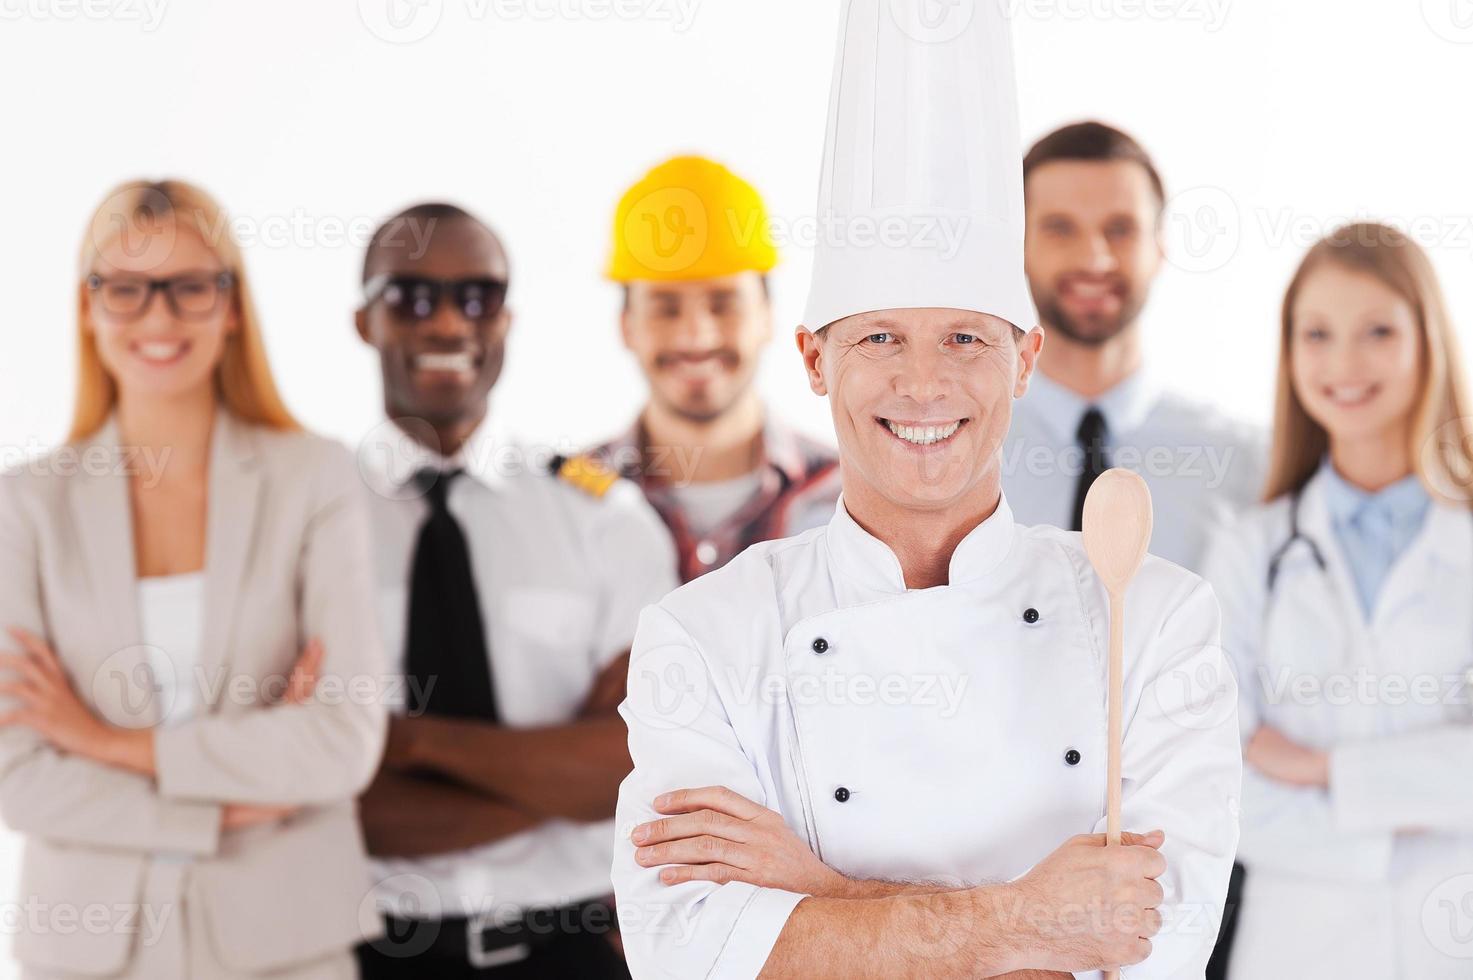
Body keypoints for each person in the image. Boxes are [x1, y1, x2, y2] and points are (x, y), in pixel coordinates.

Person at [610, 3, 1241, 978]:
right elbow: (686, 954)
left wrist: (814, 893)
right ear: (815, 359)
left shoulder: (1157, 619)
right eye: (878, 337)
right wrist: (1034, 917)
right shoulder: (703, 635)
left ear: (1024, 358)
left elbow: (1148, 955)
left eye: (964, 337)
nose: (923, 384)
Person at [0, 180, 386, 979]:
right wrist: (223, 810)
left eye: (189, 288)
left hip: (289, 943)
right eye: (127, 289)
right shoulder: (25, 506)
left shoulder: (314, 478)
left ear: (233, 305)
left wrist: (105, 742)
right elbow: (16, 773)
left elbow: (342, 743)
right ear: (87, 307)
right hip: (84, 951)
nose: (159, 319)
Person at [351, 203, 678, 978]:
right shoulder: (305, 523)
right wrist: (558, 783)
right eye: (411, 297)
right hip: (366, 955)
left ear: (507, 319)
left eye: (477, 297)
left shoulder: (601, 518)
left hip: (569, 954)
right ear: (364, 321)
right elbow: (328, 804)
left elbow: (634, 766)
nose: (445, 324)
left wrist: (404, 741)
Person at [1201, 223, 1473, 979]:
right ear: (1288, 354)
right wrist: (1396, 831)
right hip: (1295, 947)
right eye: (1315, 333)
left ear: (1429, 340)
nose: (1342, 363)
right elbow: (1218, 779)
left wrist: (1320, 769)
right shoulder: (1249, 549)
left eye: (1376, 331)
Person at [1004, 120, 1262, 571]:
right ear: (1019, 246)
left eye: (1121, 229)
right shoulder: (961, 451)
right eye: (1060, 229)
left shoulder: (1242, 462)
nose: (1093, 259)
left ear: (1160, 246)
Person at [594, 155, 841, 582]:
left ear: (767, 316)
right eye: (665, 308)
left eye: (723, 304)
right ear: (626, 326)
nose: (696, 337)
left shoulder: (848, 499)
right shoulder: (566, 504)